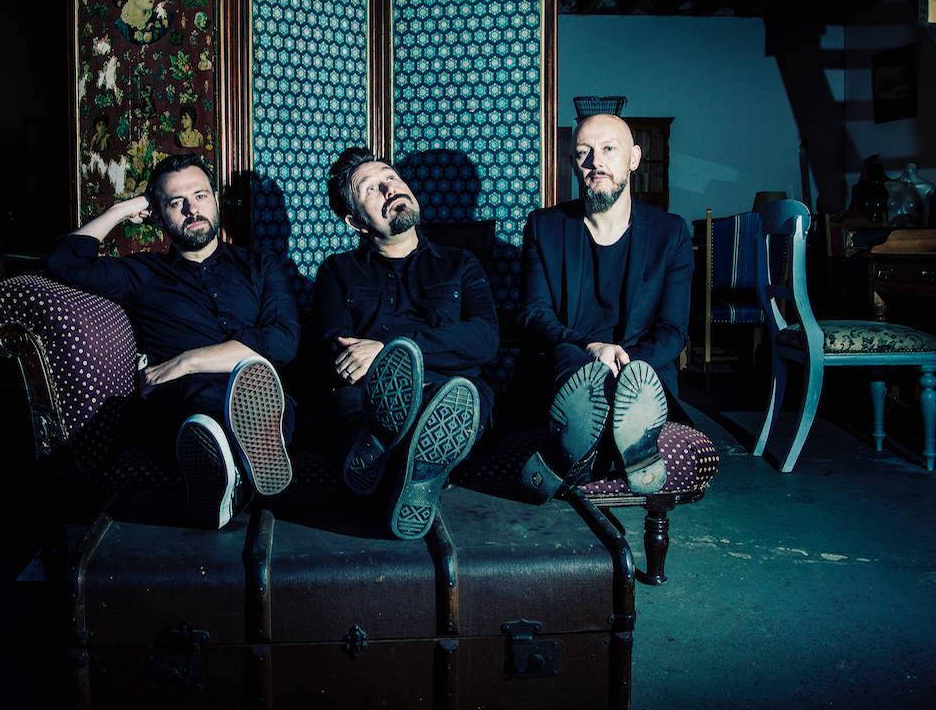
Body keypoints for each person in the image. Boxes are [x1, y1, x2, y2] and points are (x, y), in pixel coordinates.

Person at [44, 153, 298, 528]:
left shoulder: (261, 265)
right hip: (184, 399)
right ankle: (224, 466)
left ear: (215, 200)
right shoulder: (143, 273)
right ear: (158, 216)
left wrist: (187, 360)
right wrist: (123, 208)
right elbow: (63, 263)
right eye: (176, 203)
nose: (192, 209)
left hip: (260, 391)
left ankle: (233, 474)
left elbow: (283, 341)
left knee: (266, 396)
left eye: (200, 196)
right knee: (199, 409)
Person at [312, 147, 498, 540]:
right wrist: (424, 354)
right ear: (355, 221)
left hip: (448, 394)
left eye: (391, 177)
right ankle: (406, 468)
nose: (389, 188)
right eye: (371, 188)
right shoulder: (337, 271)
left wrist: (388, 348)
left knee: (459, 401)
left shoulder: (460, 263)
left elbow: (484, 338)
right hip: (369, 398)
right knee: (348, 404)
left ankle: (404, 461)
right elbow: (342, 354)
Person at [516, 113, 692, 501]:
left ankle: (574, 455)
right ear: (573, 163)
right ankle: (613, 447)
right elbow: (534, 314)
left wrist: (625, 367)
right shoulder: (544, 227)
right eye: (584, 152)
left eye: (609, 149)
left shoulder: (671, 233)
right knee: (571, 360)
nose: (596, 162)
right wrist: (591, 348)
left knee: (637, 386)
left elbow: (672, 331)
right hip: (569, 366)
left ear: (634, 158)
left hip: (640, 373)